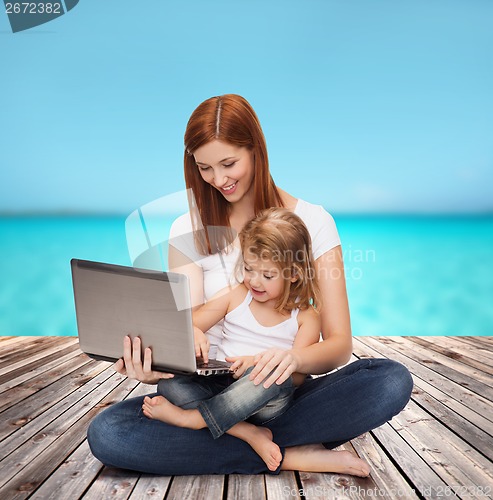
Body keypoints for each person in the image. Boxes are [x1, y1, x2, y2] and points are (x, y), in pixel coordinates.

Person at [87, 94, 413, 476]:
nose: (219, 180)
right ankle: (286, 452)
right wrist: (154, 359)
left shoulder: (314, 222)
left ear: (256, 150)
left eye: (229, 163)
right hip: (205, 386)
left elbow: (339, 346)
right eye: (205, 168)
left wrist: (292, 359)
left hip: (278, 388)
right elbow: (189, 327)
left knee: (389, 380)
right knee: (107, 433)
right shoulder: (185, 230)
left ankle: (228, 435)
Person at [142, 207, 361, 473]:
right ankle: (248, 433)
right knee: (171, 385)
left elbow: (297, 377)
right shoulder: (236, 295)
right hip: (222, 387)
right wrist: (195, 332)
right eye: (248, 268)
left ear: (293, 273)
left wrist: (255, 366)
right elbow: (187, 325)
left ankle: (193, 420)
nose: (254, 281)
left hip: (265, 399)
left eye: (267, 275)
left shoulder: (306, 317)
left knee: (272, 378)